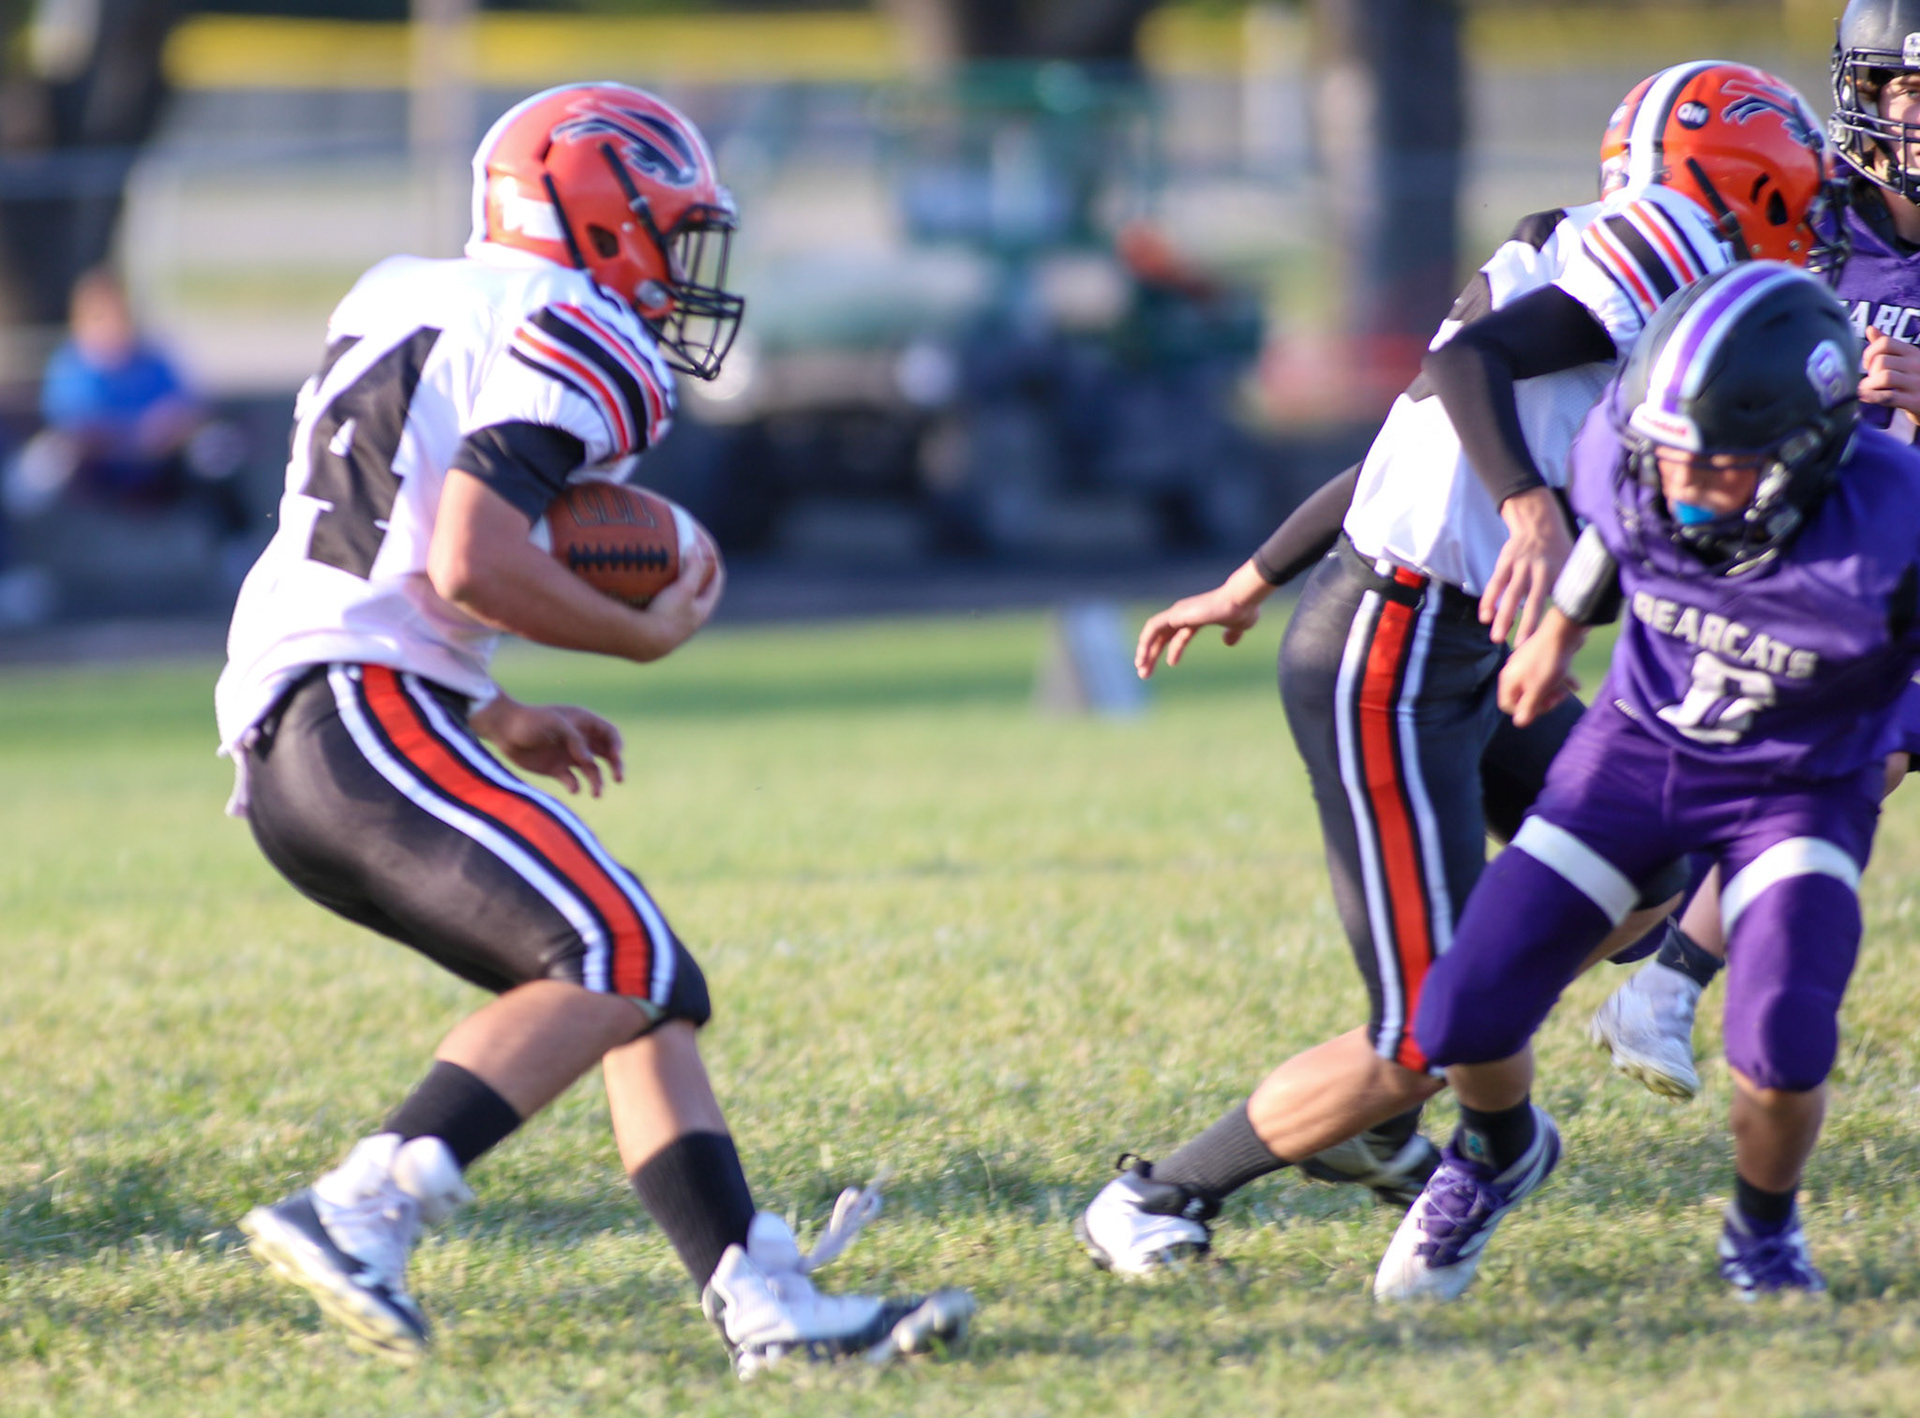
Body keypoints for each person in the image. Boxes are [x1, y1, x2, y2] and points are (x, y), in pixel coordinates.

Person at [215, 82, 970, 1376]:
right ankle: (366, 1201)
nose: (681, 278)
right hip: (360, 710)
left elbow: (392, 548)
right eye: (673, 237)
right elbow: (467, 557)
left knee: (642, 981)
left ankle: (761, 1296)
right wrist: (637, 631)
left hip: (320, 728)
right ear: (598, 214)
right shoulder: (575, 325)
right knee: (616, 949)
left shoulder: (403, 291)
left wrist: (493, 705)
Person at [1076, 61, 1839, 1279]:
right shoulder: (1666, 237)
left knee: (1650, 860)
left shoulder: (1600, 248)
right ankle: (1158, 1193)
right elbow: (1464, 370)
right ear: (1749, 172)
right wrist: (1528, 504)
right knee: (1418, 1033)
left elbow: (1410, 435)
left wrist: (1253, 576)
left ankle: (1467, 1131)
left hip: (1460, 639)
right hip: (1391, 653)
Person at [1375, 262, 1920, 1302]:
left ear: (1807, 448)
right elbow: (1616, 539)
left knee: (1782, 1041)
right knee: (1461, 1014)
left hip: (1799, 788)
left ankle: (1761, 1231)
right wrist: (1558, 630)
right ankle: (1492, 1153)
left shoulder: (1895, 523)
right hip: (1639, 753)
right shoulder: (1635, 454)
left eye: (1713, 465)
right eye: (1665, 456)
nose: (1679, 486)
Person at [1592, 0, 1920, 1104]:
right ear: (1867, 98)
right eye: (1917, 96)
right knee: (1624, 866)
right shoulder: (1798, 213)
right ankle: (1470, 1007)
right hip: (1761, 549)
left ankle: (1666, 983)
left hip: (1885, 571)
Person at [8, 267, 248, 535]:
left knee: (215, 448)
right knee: (46, 461)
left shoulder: (155, 359)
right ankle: (22, 559)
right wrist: (105, 439)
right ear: (80, 320)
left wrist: (170, 429)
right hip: (100, 474)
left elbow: (189, 410)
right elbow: (68, 427)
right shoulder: (71, 365)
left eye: (119, 314)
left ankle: (236, 549)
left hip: (160, 467)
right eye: (100, 316)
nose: (112, 324)